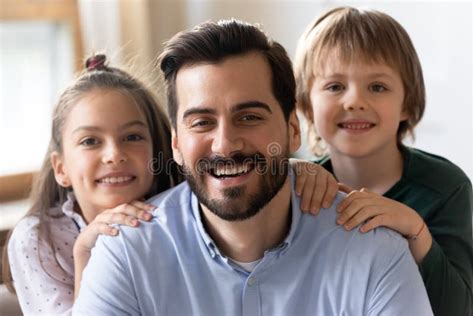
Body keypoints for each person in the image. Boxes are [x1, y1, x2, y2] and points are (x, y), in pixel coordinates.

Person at [73, 19, 432, 315]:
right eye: (201, 122)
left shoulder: (375, 252)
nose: (226, 144)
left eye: (249, 116)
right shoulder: (125, 255)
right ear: (176, 144)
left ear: (293, 130)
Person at [2, 54, 334, 315]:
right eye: (90, 141)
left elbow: (236, 171)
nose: (114, 155)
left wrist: (294, 170)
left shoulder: (187, 210)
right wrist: (84, 254)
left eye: (132, 137)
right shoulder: (38, 239)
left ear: (165, 148)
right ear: (61, 168)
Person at [293, 6, 472, 316]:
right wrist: (288, 172)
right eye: (335, 86)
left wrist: (414, 228)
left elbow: (458, 309)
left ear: (408, 103)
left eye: (377, 87)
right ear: (307, 107)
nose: (355, 101)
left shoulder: (446, 187)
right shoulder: (300, 186)